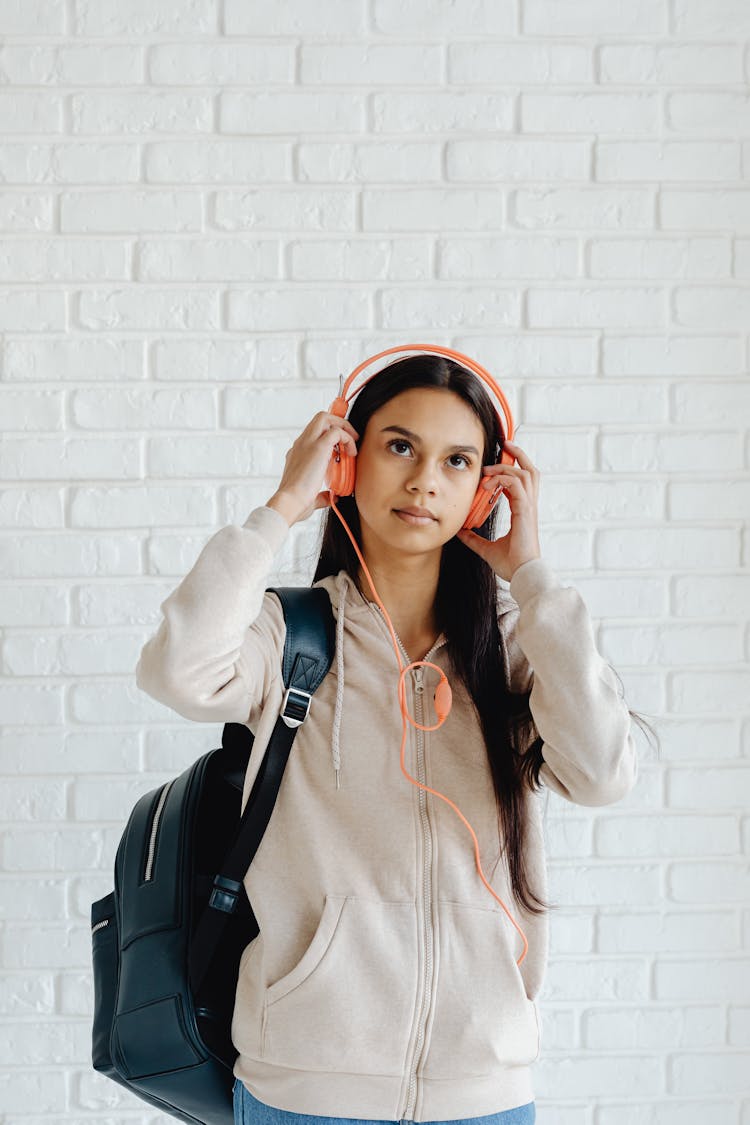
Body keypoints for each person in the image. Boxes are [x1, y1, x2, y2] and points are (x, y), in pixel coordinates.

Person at [136, 350, 651, 1125]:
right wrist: (280, 507)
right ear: (346, 462)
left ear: (484, 490)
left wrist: (534, 577)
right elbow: (178, 670)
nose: (424, 481)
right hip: (303, 1088)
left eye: (457, 460)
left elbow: (605, 772)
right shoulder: (293, 636)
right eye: (399, 446)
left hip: (483, 1092)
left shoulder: (517, 647)